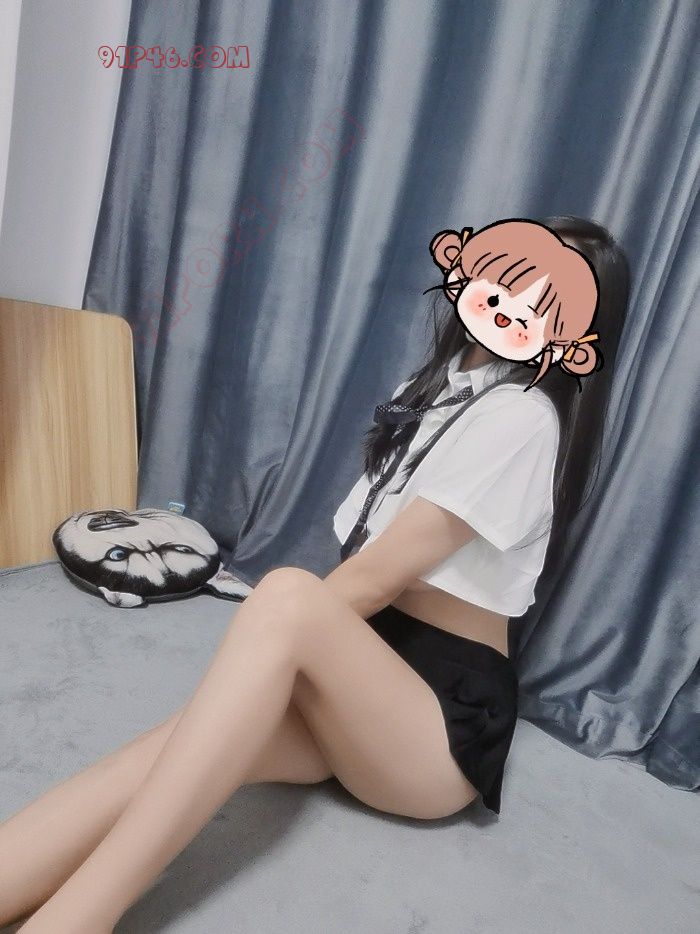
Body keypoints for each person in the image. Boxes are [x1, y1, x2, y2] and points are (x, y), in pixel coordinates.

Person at [0, 217, 630, 933]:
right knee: (168, 755)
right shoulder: (440, 388)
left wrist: (263, 653)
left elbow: (371, 580)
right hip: (362, 677)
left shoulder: (523, 419)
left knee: (287, 598)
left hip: (435, 727)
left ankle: (80, 918)